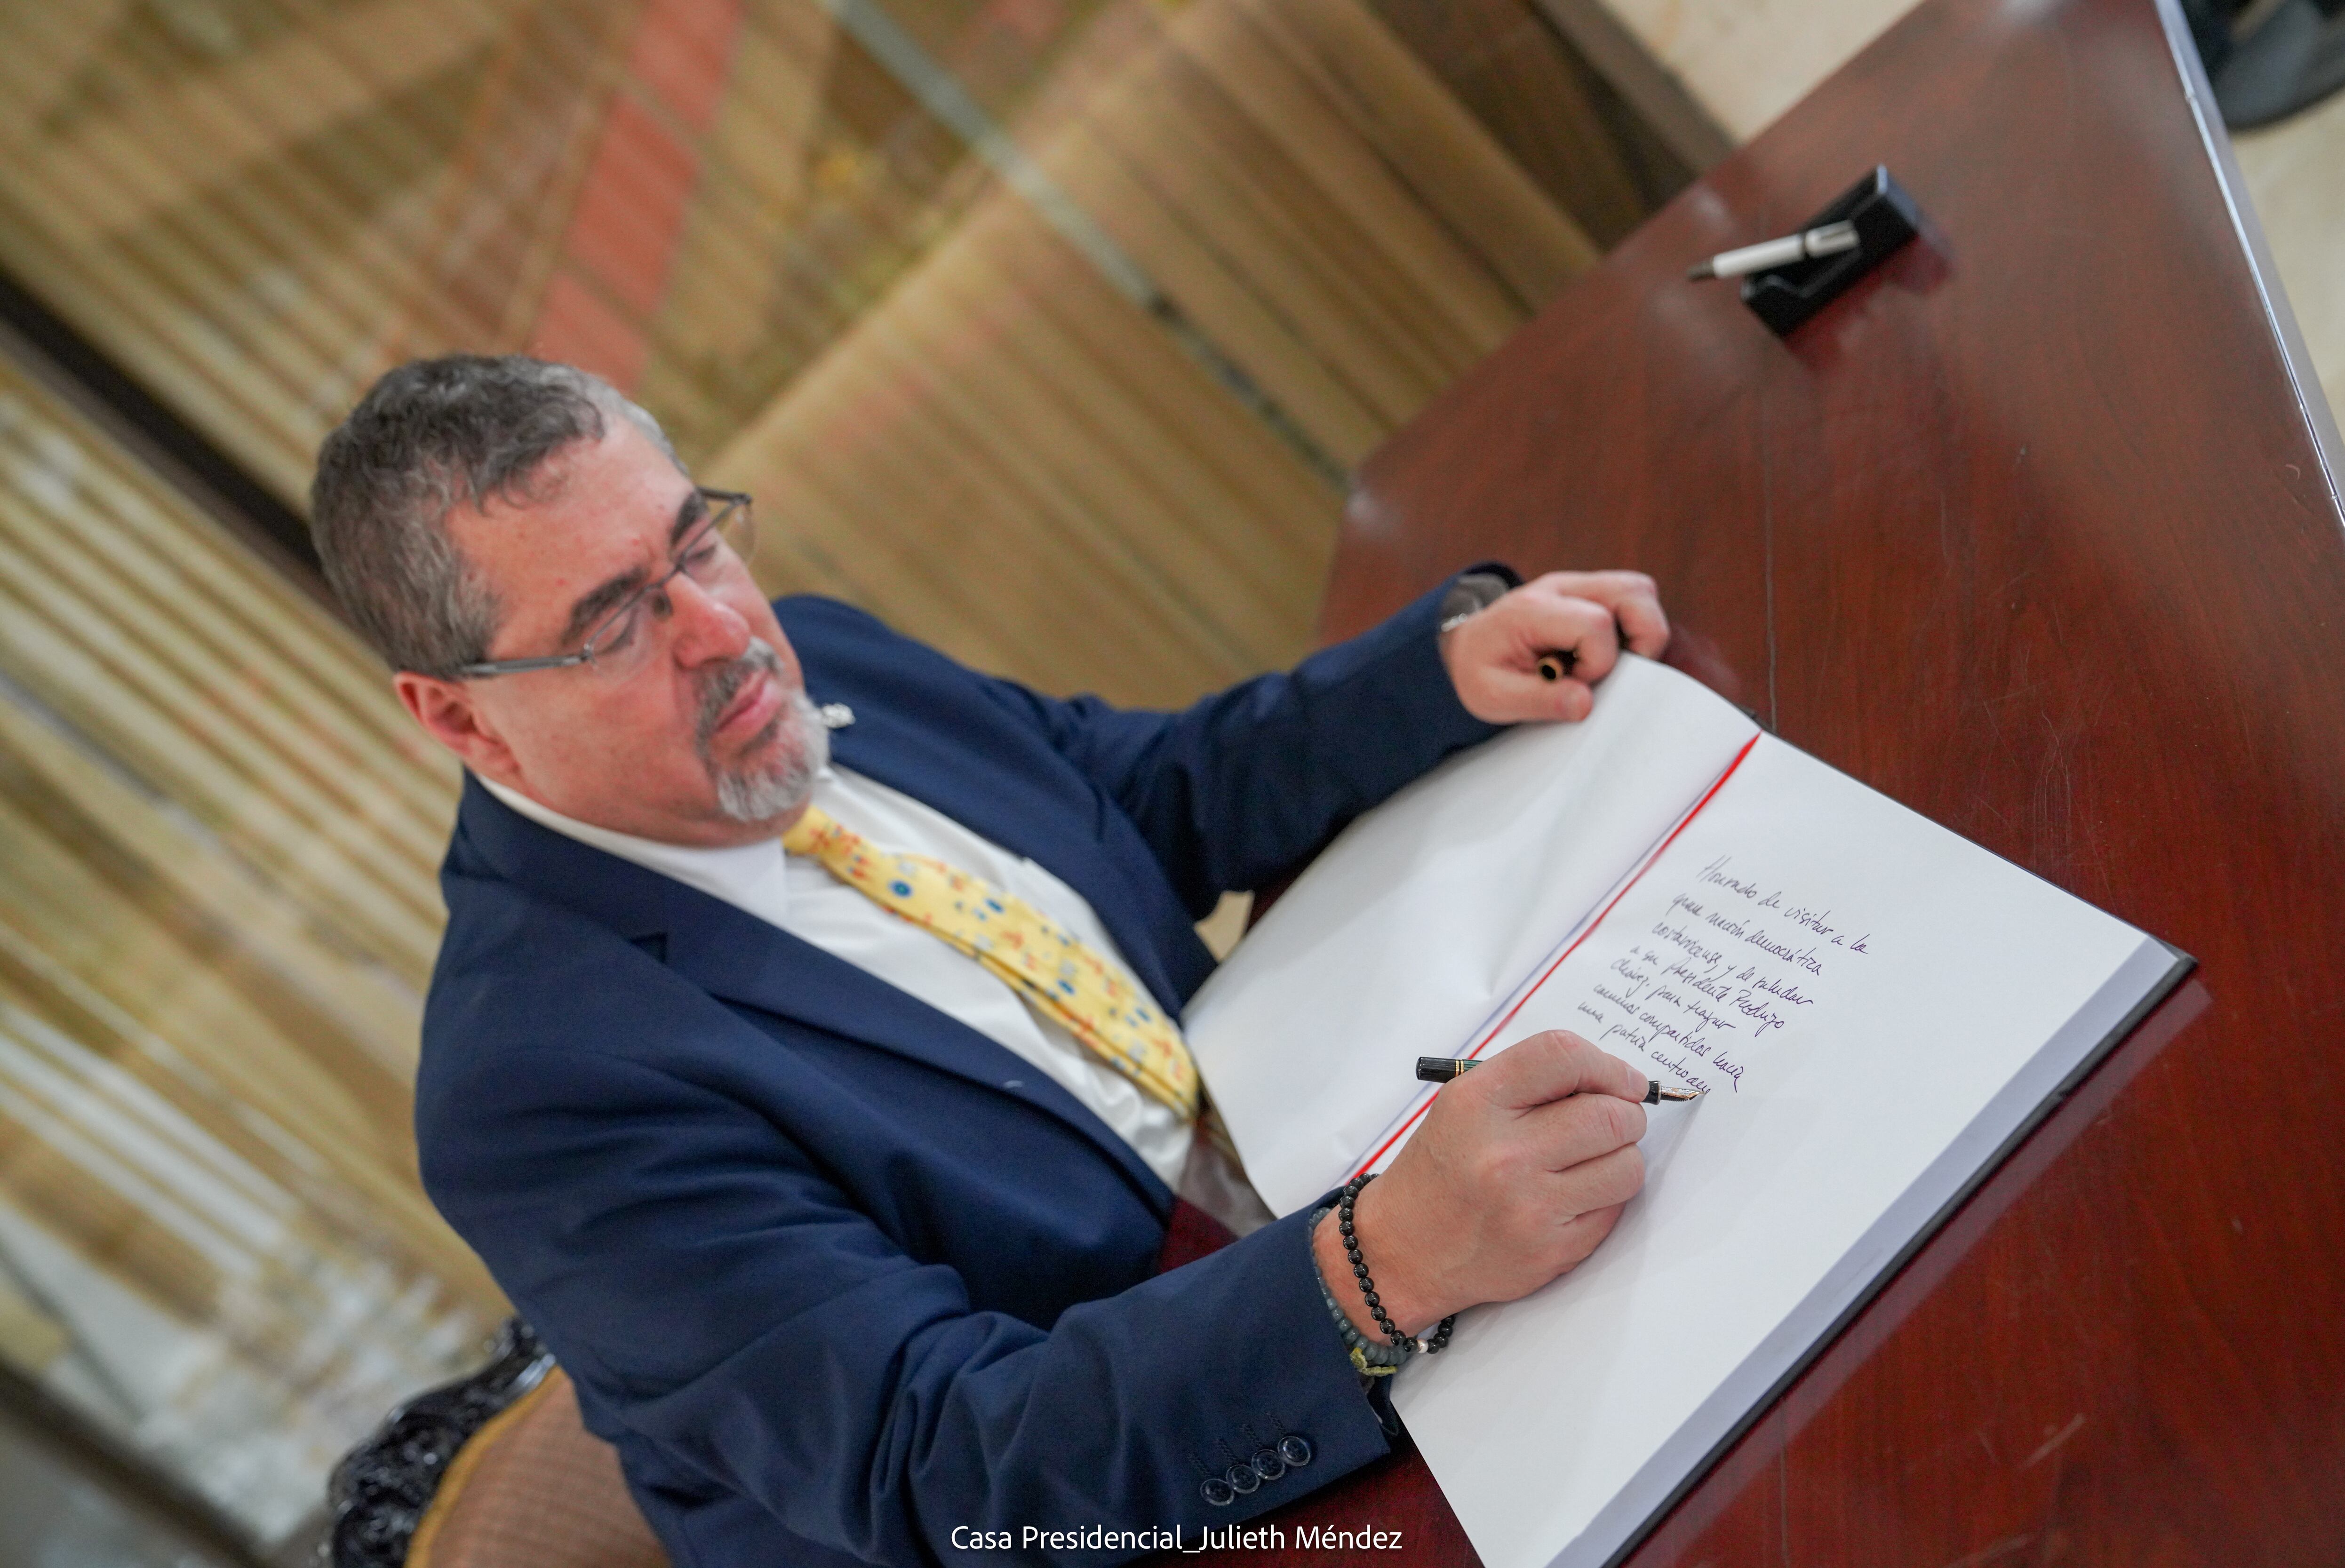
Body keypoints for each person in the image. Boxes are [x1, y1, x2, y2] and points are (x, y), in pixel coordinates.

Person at [312, 355, 1670, 1567]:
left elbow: (1124, 803)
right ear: (461, 720)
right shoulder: (537, 1095)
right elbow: (959, 1473)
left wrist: (1427, 682)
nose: (726, 635)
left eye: (699, 546)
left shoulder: (822, 657)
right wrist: (1381, 1269)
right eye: (615, 622)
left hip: (1344, 1208)